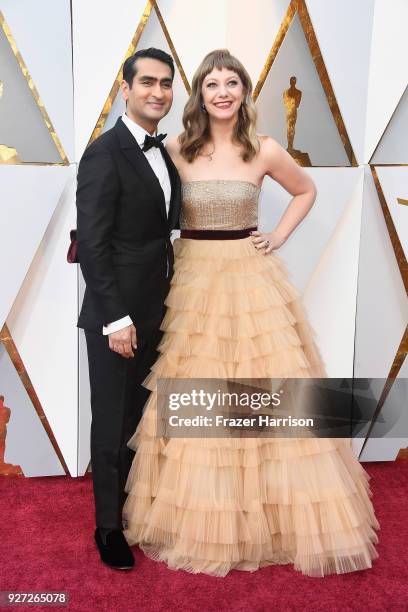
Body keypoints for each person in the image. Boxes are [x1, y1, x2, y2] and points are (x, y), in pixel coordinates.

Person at [122, 49, 380, 577]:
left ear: (244, 92)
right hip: (191, 278)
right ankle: (206, 515)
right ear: (199, 93)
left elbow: (306, 190)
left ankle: (269, 513)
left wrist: (278, 235)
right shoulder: (175, 147)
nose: (222, 91)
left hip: (248, 274)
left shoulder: (262, 149)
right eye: (212, 83)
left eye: (231, 82)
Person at [76, 47, 181, 570]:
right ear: (125, 88)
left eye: (165, 84)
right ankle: (108, 528)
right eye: (147, 83)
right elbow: (92, 246)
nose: (157, 92)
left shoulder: (163, 151)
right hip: (118, 317)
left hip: (159, 309)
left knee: (143, 419)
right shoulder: (104, 152)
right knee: (113, 423)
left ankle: (135, 512)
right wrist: (116, 319)